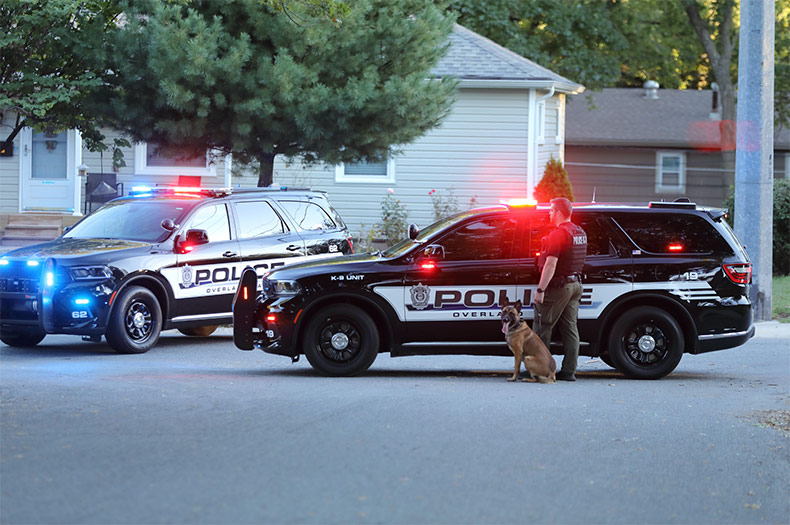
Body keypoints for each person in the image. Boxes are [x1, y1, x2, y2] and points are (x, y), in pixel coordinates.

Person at [531, 197, 587, 381]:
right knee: (570, 328)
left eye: (551, 210)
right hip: (575, 285)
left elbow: (550, 264)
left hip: (559, 287)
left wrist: (540, 290)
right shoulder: (579, 232)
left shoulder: (558, 234)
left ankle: (542, 371)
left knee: (543, 326)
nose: (549, 213)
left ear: (559, 212)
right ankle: (569, 371)